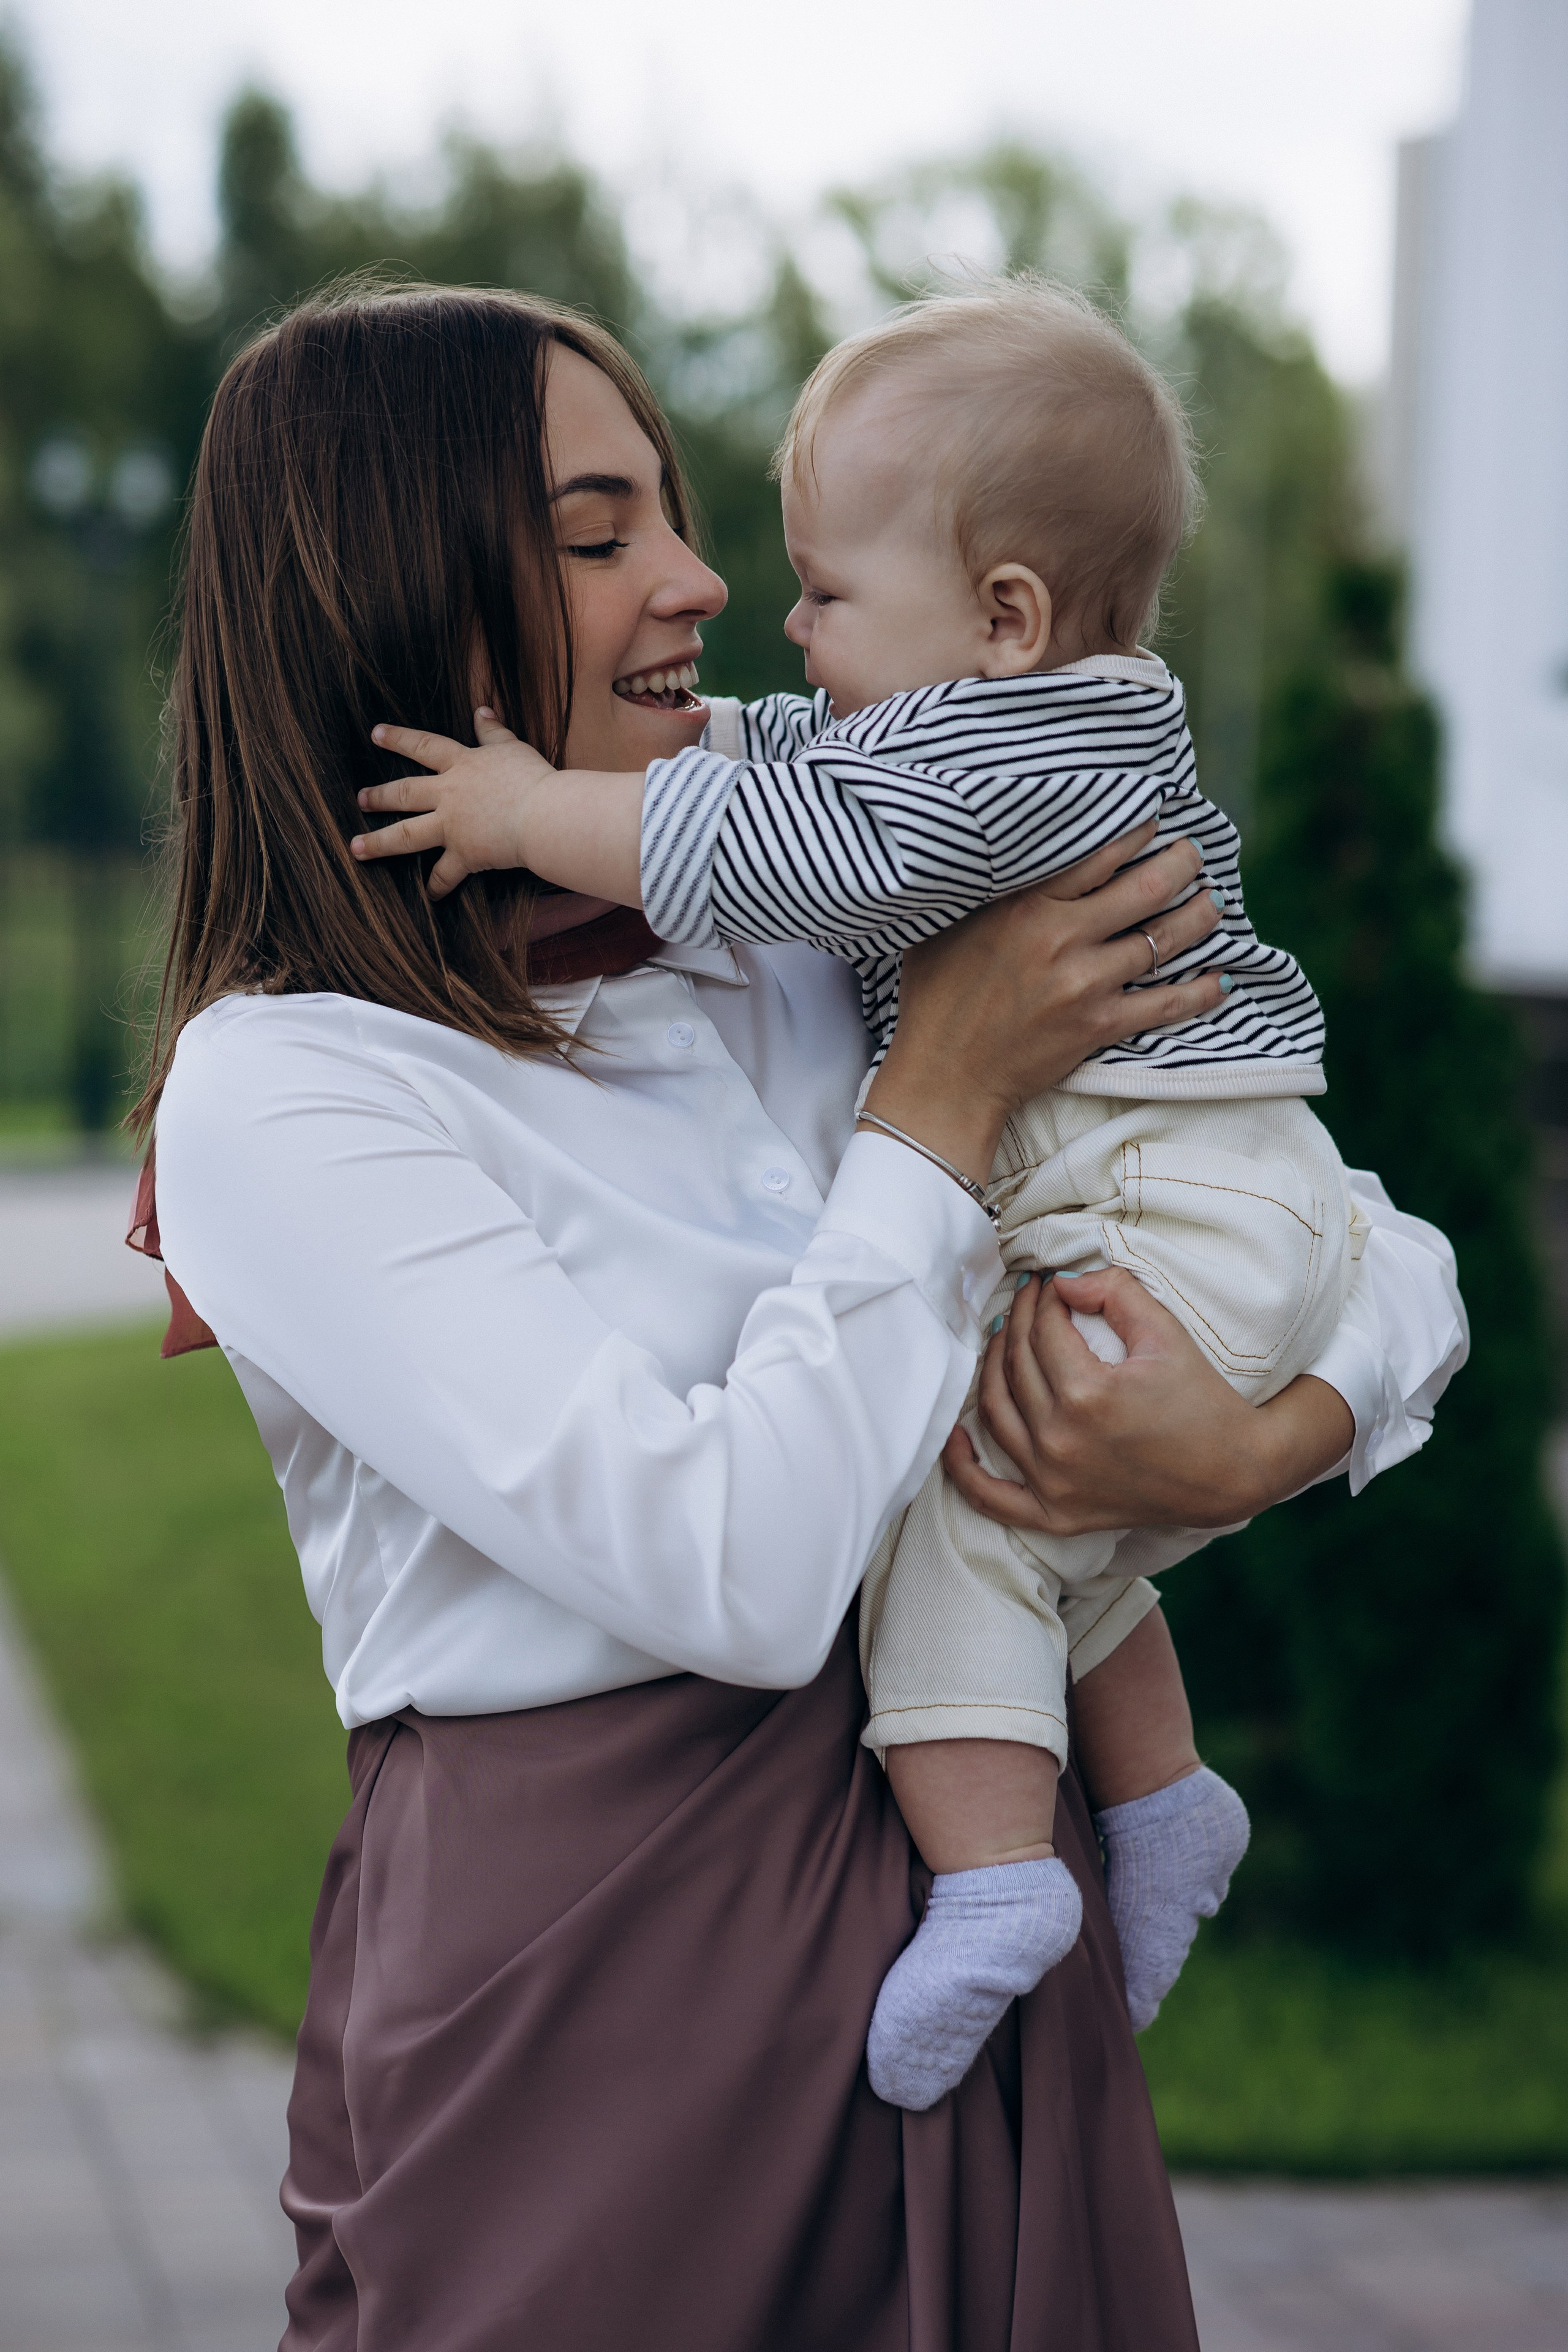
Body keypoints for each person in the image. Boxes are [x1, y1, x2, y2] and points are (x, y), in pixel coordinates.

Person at [142, 282, 1466, 2351]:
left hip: (980, 1900)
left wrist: (1258, 1440)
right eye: (601, 536)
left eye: (675, 515)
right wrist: (940, 1097)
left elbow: (1363, 1232)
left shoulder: (801, 927)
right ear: (400, 588)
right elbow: (739, 1573)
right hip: (600, 1983)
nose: (699, 583)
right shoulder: (293, 1087)